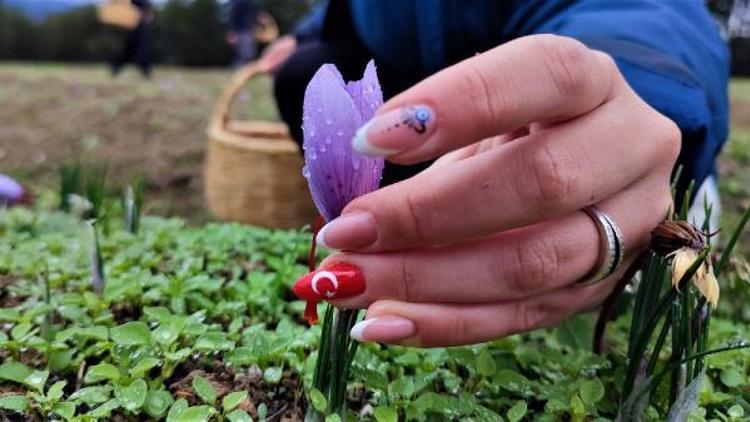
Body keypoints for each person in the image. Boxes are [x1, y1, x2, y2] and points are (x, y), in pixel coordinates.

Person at [268, 0, 729, 347]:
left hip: (600, 117)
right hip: (445, 108)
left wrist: (634, 84)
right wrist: (311, 28)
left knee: (597, 196)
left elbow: (647, 11)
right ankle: (415, 239)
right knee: (301, 69)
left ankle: (606, 192)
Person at [111, 0, 154, 78]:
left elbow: (146, 7)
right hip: (134, 24)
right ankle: (116, 67)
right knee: (132, 48)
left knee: (140, 48)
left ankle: (145, 70)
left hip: (139, 25)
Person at [227, 0, 259, 67]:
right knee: (244, 54)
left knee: (247, 53)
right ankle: (239, 68)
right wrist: (232, 32)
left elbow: (253, 15)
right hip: (241, 31)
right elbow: (234, 17)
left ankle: (242, 68)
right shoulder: (239, 2)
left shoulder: (249, 2)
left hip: (247, 30)